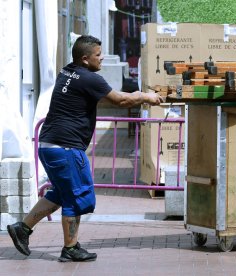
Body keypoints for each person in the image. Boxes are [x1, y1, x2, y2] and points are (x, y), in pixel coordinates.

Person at [7, 35, 163, 262]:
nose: (102, 59)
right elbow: (119, 100)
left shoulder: (67, 71)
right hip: (66, 148)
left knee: (61, 193)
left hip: (49, 145)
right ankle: (70, 248)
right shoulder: (90, 79)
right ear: (85, 59)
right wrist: (145, 96)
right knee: (78, 196)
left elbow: (102, 98)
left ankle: (23, 228)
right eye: (98, 56)